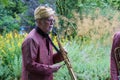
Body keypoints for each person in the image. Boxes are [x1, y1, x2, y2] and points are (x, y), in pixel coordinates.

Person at [21, 5, 64, 80]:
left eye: (53, 21)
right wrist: (51, 69)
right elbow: (30, 65)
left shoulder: (47, 36)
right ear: (39, 21)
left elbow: (47, 61)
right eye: (49, 20)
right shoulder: (31, 40)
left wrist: (60, 55)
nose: (52, 23)